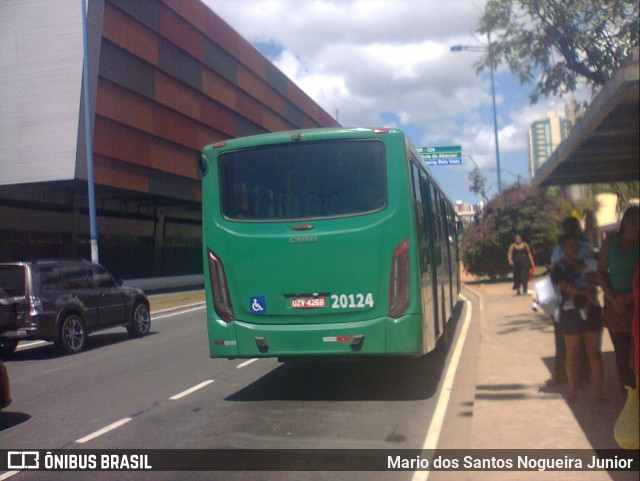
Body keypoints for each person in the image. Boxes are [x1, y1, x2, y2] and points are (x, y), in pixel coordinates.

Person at [552, 234, 604, 404]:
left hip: (591, 311)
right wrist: (586, 291)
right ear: (563, 248)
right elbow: (565, 286)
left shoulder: (589, 264)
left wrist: (591, 283)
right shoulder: (558, 267)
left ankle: (600, 391)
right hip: (570, 313)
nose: (574, 248)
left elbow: (600, 279)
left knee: (594, 353)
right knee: (572, 354)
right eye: (570, 245)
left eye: (576, 246)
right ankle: (573, 391)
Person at [546, 217, 596, 386]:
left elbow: (593, 273)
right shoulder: (557, 251)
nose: (570, 234)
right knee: (562, 343)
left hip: (585, 303)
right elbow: (555, 277)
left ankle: (583, 377)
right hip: (563, 302)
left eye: (572, 229)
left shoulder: (587, 250)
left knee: (586, 345)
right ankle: (562, 375)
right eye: (566, 230)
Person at [598, 206, 640, 395]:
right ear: (625, 223)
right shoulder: (610, 244)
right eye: (634, 221)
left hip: (635, 306)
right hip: (617, 309)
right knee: (623, 358)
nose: (637, 226)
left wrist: (630, 296)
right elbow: (601, 272)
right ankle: (627, 404)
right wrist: (614, 298)